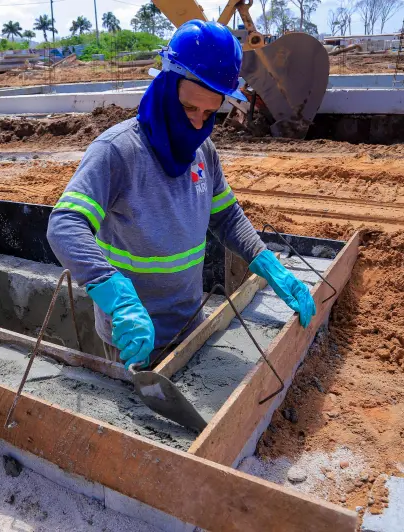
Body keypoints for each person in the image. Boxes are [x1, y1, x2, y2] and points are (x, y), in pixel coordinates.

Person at [47, 20, 315, 370]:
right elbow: (65, 225)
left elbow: (226, 216)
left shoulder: (203, 151)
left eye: (209, 113)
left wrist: (265, 261)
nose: (197, 123)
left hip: (191, 324)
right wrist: (114, 293)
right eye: (189, 108)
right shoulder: (118, 151)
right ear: (165, 86)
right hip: (134, 335)